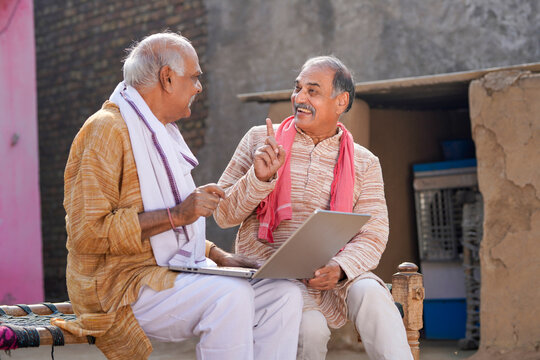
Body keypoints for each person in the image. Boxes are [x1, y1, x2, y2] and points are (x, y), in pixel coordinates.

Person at [53, 32, 302, 360]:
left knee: (284, 293)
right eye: (194, 77)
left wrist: (219, 256)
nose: (199, 87)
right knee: (230, 296)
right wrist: (177, 214)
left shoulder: (161, 132)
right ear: (167, 78)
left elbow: (174, 230)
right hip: (118, 285)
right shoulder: (105, 130)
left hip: (172, 271)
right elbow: (88, 235)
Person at [214, 56, 413, 360]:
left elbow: (373, 234)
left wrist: (341, 269)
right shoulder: (259, 140)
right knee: (312, 328)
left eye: (312, 91)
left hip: (335, 275)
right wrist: (259, 177)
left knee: (373, 295)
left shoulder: (365, 162)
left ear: (341, 101)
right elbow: (222, 214)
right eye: (298, 89)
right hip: (275, 277)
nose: (300, 98)